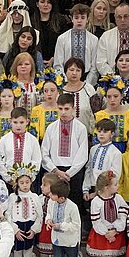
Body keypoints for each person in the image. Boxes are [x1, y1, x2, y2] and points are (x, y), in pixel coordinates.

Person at [41, 93, 88, 222]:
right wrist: (55, 171)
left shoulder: (80, 128)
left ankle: (74, 238)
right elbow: (44, 153)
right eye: (60, 108)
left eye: (66, 109)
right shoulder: (51, 128)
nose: (63, 112)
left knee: (74, 205)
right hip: (55, 170)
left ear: (73, 108)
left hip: (73, 173)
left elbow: (83, 155)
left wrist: (68, 173)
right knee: (54, 204)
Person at [86, 170, 128, 257]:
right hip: (101, 235)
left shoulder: (118, 198)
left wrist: (115, 230)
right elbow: (96, 221)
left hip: (115, 233)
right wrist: (106, 233)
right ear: (106, 187)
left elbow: (123, 214)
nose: (118, 187)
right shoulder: (96, 201)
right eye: (115, 184)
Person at [7, 163, 41, 257]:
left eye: (27, 182)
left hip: (30, 227)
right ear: (17, 183)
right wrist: (15, 229)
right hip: (18, 227)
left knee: (28, 254)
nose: (25, 185)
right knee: (16, 254)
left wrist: (34, 229)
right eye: (22, 182)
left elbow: (40, 215)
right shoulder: (13, 197)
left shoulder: (34, 197)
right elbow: (8, 215)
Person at [46, 179, 81, 257]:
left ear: (61, 197)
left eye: (52, 194)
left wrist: (61, 226)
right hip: (57, 241)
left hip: (70, 242)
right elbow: (48, 214)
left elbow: (75, 226)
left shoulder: (72, 207)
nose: (50, 196)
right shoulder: (51, 202)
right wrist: (48, 221)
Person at [53, 4, 99, 84]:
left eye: (83, 18)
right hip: (66, 78)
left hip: (86, 78)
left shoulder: (94, 39)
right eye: (76, 17)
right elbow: (58, 64)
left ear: (87, 19)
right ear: (71, 19)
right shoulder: (62, 38)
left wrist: (87, 83)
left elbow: (94, 66)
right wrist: (65, 82)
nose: (79, 21)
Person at [0, 107, 41, 183]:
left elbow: (36, 160)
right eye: (15, 122)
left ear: (27, 121)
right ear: (10, 121)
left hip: (27, 182)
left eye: (21, 122)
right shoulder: (4, 139)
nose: (18, 126)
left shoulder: (33, 140)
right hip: (8, 181)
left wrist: (29, 178)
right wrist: (8, 178)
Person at [83, 119, 122, 200]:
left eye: (105, 132)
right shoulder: (93, 149)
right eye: (99, 131)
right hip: (92, 187)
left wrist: (99, 192)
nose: (101, 134)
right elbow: (89, 169)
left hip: (107, 190)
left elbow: (115, 175)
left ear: (112, 134)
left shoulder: (115, 152)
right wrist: (85, 189)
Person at [31, 0, 70, 66]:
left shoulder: (61, 21)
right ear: (37, 4)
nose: (46, 5)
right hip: (36, 62)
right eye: (42, 2)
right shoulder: (31, 21)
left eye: (49, 2)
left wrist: (54, 58)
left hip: (57, 62)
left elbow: (65, 43)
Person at [35, 172, 60, 257]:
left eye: (44, 185)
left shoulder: (57, 200)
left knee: (55, 256)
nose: (41, 187)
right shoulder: (39, 199)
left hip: (54, 229)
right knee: (44, 256)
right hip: (44, 230)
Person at [0, 75, 20, 147]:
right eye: (3, 96)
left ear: (14, 97)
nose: (6, 99)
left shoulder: (19, 113)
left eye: (10, 96)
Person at [30, 68, 61, 141]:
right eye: (46, 91)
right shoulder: (36, 110)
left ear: (57, 91)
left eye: (52, 90)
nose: (49, 94)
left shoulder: (62, 109)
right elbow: (34, 133)